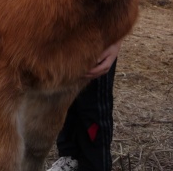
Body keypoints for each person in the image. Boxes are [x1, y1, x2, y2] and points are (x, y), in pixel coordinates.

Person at [48, 40, 122, 171]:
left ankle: (95, 165)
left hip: (96, 41)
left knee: (93, 109)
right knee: (64, 99)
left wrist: (114, 41)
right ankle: (69, 157)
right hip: (62, 40)